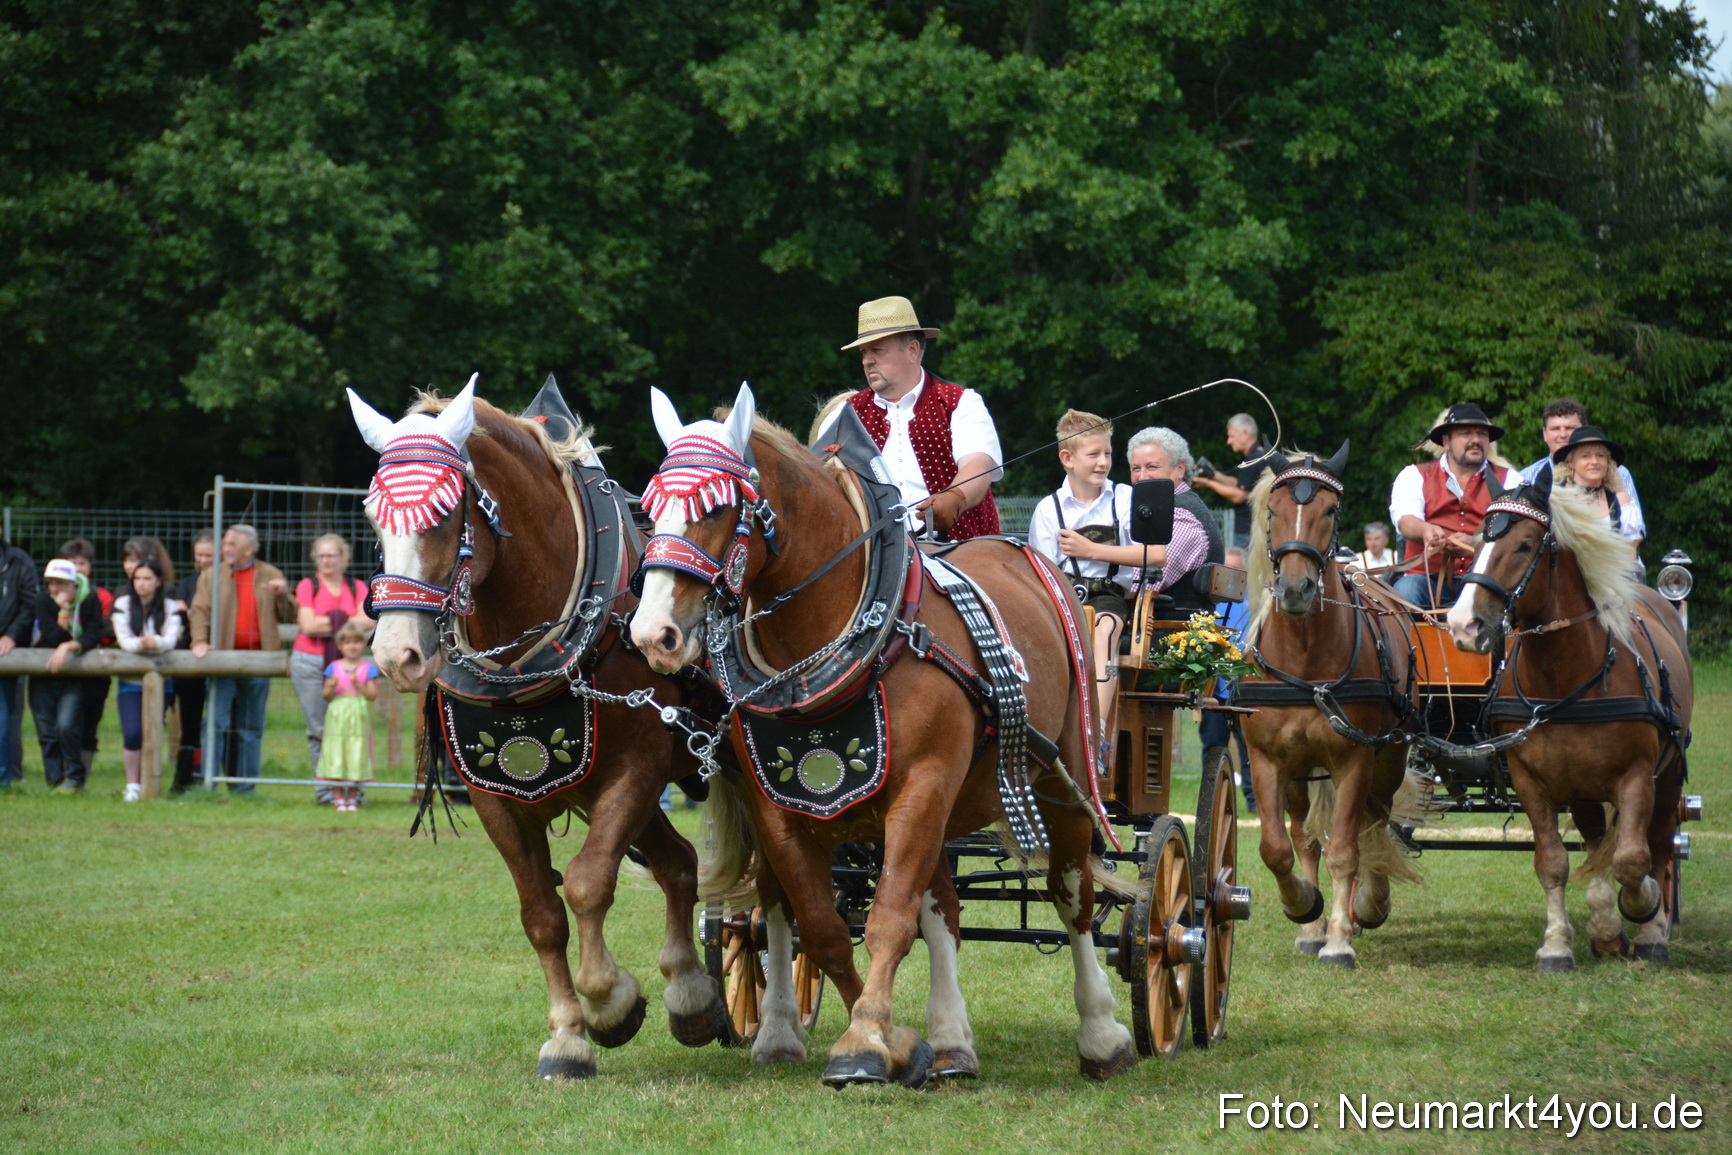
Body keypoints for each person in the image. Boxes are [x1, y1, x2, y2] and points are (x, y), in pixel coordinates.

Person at [841, 296, 1004, 540]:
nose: (866, 360)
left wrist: (955, 498)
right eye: (864, 352)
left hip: (961, 551)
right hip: (873, 556)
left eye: (877, 350)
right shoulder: (846, 414)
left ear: (912, 350)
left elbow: (977, 466)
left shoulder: (960, 403)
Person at [1026, 409, 1135, 745]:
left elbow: (1150, 554)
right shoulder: (1049, 509)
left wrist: (1090, 550)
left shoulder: (1125, 499)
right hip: (1061, 597)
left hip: (1108, 596)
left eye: (1108, 454)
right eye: (1094, 455)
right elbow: (1041, 568)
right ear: (1067, 458)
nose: (1103, 462)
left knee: (1103, 635)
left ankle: (1096, 737)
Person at [190, 524, 297, 794]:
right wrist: (199, 641)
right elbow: (200, 610)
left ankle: (246, 789)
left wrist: (283, 595)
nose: (224, 549)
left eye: (230, 545)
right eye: (224, 544)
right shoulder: (211, 575)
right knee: (215, 722)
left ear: (249, 549)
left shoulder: (271, 574)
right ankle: (208, 785)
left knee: (250, 727)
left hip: (260, 662)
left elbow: (289, 617)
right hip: (222, 660)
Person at [1388, 403, 1520, 609]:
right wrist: (1427, 531)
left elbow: (1515, 529)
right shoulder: (1414, 475)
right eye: (1466, 434)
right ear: (1447, 442)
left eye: (1482, 434)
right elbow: (1406, 520)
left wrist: (1476, 541)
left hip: (1486, 577)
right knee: (1406, 591)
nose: (1475, 440)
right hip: (1426, 580)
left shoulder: (1510, 479)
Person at [292, 533, 372, 805]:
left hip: (349, 665)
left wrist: (327, 621)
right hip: (310, 663)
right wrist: (348, 625)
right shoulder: (307, 585)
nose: (327, 561)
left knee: (351, 728)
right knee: (319, 729)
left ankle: (352, 790)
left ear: (343, 558)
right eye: (322, 555)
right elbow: (308, 626)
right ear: (316, 558)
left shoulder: (357, 586)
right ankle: (326, 791)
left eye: (332, 555)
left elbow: (369, 622)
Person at [1125, 426, 1224, 611]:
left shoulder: (1181, 515)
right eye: (1135, 468)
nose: (1142, 476)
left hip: (1165, 635)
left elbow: (1141, 584)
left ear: (1179, 469)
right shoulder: (1165, 510)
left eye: (1152, 467)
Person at [112, 557, 184, 801]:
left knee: (150, 732)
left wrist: (157, 642)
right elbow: (123, 639)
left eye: (147, 579)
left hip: (162, 680)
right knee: (132, 732)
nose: (141, 584)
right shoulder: (122, 603)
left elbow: (171, 638)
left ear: (158, 582)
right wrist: (143, 644)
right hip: (130, 681)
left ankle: (149, 781)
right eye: (137, 579)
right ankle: (133, 785)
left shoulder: (170, 606)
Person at [30, 559, 104, 794]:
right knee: (46, 729)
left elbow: (93, 634)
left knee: (66, 724)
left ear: (73, 584)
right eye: (50, 583)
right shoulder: (43, 601)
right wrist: (62, 610)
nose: (54, 589)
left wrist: (68, 647)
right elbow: (51, 635)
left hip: (73, 675)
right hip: (43, 674)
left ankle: (74, 778)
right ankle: (54, 781)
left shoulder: (89, 599)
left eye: (60, 584)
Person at [1199, 545, 1255, 815]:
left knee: (1252, 752)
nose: (1231, 575)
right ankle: (1212, 800)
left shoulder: (1256, 606)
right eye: (1226, 569)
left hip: (1246, 694)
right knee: (1213, 747)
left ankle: (1255, 803)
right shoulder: (1207, 606)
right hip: (1214, 695)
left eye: (1237, 570)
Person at [58, 539, 114, 777]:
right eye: (72, 563)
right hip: (65, 668)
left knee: (90, 722)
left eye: (82, 563)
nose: (78, 568)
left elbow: (105, 631)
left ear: (90, 566)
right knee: (64, 722)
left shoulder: (101, 596)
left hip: (95, 667)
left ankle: (83, 775)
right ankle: (64, 771)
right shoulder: (53, 595)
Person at [1518, 398, 1643, 502]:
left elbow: (1634, 527)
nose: (1563, 434)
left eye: (1570, 428)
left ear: (1584, 431)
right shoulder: (1526, 478)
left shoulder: (1619, 473)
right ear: (1545, 434)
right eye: (1555, 428)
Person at [1190, 414, 1277, 547]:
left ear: (1245, 433)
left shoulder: (1253, 460)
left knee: (1242, 568)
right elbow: (1241, 484)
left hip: (1248, 530)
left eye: (1232, 436)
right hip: (1258, 527)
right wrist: (1214, 475)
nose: (1229, 441)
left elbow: (1239, 495)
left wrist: (1207, 483)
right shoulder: (1260, 455)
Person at [319, 619, 378, 813]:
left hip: (357, 716)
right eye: (347, 642)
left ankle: (352, 797)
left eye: (357, 642)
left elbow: (372, 695)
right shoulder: (333, 667)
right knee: (336, 751)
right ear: (340, 645)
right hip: (337, 715)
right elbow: (325, 695)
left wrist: (359, 685)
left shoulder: (368, 668)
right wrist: (331, 687)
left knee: (356, 752)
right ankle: (338, 798)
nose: (352, 646)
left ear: (363, 644)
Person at [171, 530, 214, 793]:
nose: (204, 560)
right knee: (190, 720)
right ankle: (185, 776)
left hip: (221, 656)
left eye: (209, 555)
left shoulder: (225, 581)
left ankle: (210, 772)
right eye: (199, 555)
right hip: (190, 659)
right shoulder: (186, 584)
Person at [1553, 426, 1645, 546]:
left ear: (1608, 462)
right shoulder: (1557, 500)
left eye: (1600, 456)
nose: (1594, 462)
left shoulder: (1621, 502)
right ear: (1571, 462)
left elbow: (1630, 553)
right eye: (1585, 456)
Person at [0, 534, 39, 791]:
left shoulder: (19, 561)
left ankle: (4, 777)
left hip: (7, 652)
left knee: (4, 717)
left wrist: (11, 635)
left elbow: (29, 604)